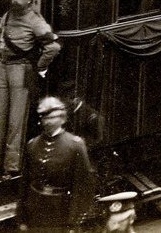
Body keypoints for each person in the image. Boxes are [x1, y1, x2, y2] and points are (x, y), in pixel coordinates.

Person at [0, 0, 61, 176]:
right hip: (2, 68)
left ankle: (12, 167)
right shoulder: (7, 16)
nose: (14, 0)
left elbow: (52, 47)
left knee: (16, 121)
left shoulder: (35, 21)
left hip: (21, 70)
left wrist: (40, 66)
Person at [19, 96, 96, 233]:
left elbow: (83, 186)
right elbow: (25, 183)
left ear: (62, 119)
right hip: (35, 210)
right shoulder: (33, 145)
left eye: (52, 118)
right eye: (45, 118)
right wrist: (22, 218)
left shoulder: (75, 145)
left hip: (61, 212)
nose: (48, 122)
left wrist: (74, 222)